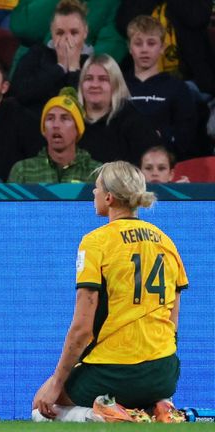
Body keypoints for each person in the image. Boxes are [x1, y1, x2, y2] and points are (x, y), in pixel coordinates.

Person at [32, 161, 187, 423]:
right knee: (140, 393)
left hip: (114, 371)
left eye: (96, 188)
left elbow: (82, 329)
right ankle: (158, 407)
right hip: (164, 373)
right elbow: (172, 322)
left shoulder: (96, 242)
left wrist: (57, 382)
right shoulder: (166, 242)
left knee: (40, 409)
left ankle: (101, 415)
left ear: (109, 197)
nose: (93, 193)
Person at [123, 16, 197, 161]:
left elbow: (186, 135)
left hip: (163, 166)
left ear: (162, 47)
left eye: (151, 43)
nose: (144, 49)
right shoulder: (118, 84)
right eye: (138, 43)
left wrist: (160, 135)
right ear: (129, 47)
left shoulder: (177, 88)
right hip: (123, 165)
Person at [77, 54, 163, 165]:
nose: (95, 84)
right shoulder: (70, 120)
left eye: (103, 79)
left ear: (116, 84)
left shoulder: (133, 121)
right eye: (88, 78)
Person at [12, 0, 93, 114]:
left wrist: (74, 69)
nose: (67, 39)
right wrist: (60, 67)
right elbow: (20, 93)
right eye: (60, 33)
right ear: (51, 31)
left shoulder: (93, 64)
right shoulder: (37, 54)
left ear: (85, 31)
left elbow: (84, 108)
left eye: (74, 33)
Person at [8, 89, 100, 183]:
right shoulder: (23, 171)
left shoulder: (97, 173)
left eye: (64, 118)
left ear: (78, 129)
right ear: (44, 130)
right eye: (50, 118)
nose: (56, 125)